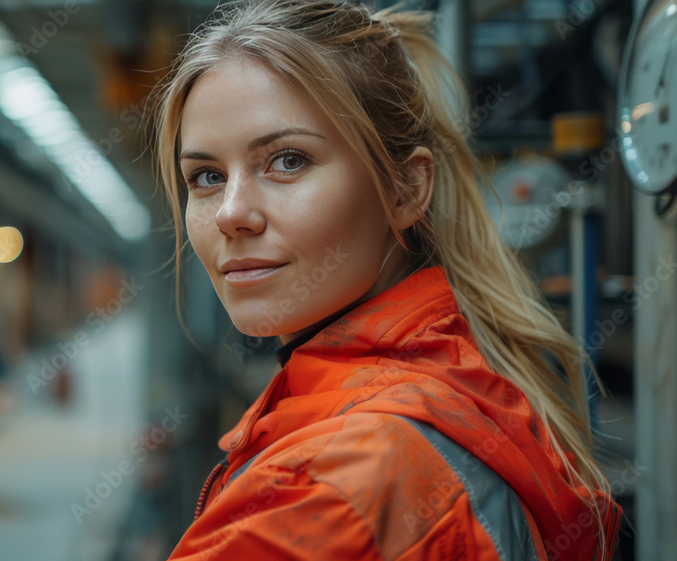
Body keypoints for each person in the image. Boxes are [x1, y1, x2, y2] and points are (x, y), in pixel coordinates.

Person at [146, 1, 623, 559]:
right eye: (206, 176)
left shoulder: (331, 484)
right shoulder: (464, 382)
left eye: (288, 161)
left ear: (406, 190)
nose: (230, 213)